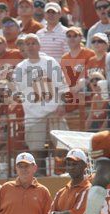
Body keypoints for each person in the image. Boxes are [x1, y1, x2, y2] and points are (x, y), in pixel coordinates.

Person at [12, 33, 68, 161]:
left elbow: (62, 85)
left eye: (33, 43)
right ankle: (39, 175)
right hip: (33, 114)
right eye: (27, 44)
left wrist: (62, 104)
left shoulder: (50, 62)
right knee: (36, 150)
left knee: (62, 146)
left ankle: (62, 173)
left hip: (54, 111)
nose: (31, 46)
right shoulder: (20, 68)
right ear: (24, 48)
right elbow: (15, 92)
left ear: (39, 46)